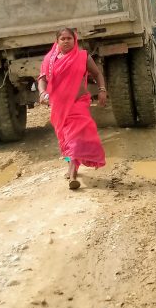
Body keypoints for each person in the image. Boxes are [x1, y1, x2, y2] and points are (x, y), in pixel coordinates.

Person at [38, 28, 107, 190]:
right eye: (62, 39)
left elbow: (97, 74)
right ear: (57, 41)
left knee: (75, 139)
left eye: (69, 38)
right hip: (59, 107)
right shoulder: (50, 60)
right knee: (67, 139)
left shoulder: (83, 56)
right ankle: (72, 165)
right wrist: (42, 93)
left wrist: (102, 90)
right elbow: (42, 78)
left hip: (79, 104)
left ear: (74, 40)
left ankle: (73, 174)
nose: (66, 41)